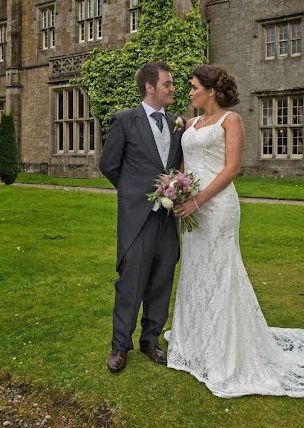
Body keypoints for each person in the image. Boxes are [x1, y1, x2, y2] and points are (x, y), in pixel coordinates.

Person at [166, 64, 304, 398]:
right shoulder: (189, 123)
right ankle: (195, 343)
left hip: (217, 208)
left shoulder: (230, 121)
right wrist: (177, 189)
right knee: (195, 270)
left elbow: (232, 168)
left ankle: (225, 352)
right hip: (192, 209)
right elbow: (185, 165)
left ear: (211, 91)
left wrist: (198, 200)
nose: (189, 93)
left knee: (220, 272)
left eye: (193, 87)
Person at [99, 61, 185, 373]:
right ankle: (119, 345)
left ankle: (151, 340)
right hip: (138, 217)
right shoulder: (125, 120)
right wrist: (134, 193)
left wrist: (173, 193)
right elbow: (109, 165)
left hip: (168, 218)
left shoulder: (179, 123)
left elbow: (177, 163)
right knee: (131, 283)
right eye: (168, 83)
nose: (173, 88)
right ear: (150, 87)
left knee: (162, 279)